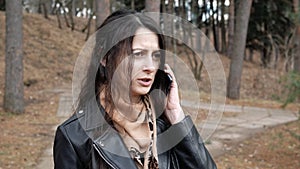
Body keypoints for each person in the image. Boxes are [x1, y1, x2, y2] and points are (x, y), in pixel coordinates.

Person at [53, 9, 217, 169]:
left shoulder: (165, 124)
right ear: (105, 57)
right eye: (138, 54)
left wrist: (176, 114)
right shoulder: (75, 136)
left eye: (155, 56)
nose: (150, 67)